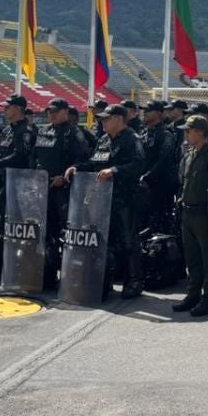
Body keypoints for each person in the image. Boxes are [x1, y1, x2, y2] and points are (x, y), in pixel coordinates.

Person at [67, 104, 147, 299]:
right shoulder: (104, 139)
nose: (102, 122)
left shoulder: (132, 139)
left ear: (119, 119)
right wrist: (77, 168)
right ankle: (107, 279)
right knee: (106, 240)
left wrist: (115, 171)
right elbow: (95, 162)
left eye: (106, 119)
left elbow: (139, 164)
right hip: (103, 198)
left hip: (125, 198)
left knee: (128, 241)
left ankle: (134, 281)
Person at [172, 115, 208, 317]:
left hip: (205, 215)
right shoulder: (189, 155)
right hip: (188, 213)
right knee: (192, 258)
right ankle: (193, 294)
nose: (186, 134)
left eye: (189, 130)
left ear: (201, 133)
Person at [33, 98, 87, 288]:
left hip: (64, 191)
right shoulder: (44, 131)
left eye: (55, 111)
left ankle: (70, 276)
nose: (52, 114)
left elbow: (83, 159)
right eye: (49, 111)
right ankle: (48, 275)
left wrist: (65, 177)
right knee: (46, 234)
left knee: (67, 232)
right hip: (43, 188)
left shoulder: (73, 132)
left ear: (65, 111)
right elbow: (35, 156)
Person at [140, 99, 179, 233]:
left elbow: (164, 160)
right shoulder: (144, 133)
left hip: (160, 186)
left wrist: (148, 177)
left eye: (148, 110)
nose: (144, 113)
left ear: (159, 114)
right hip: (143, 186)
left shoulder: (166, 134)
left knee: (159, 222)